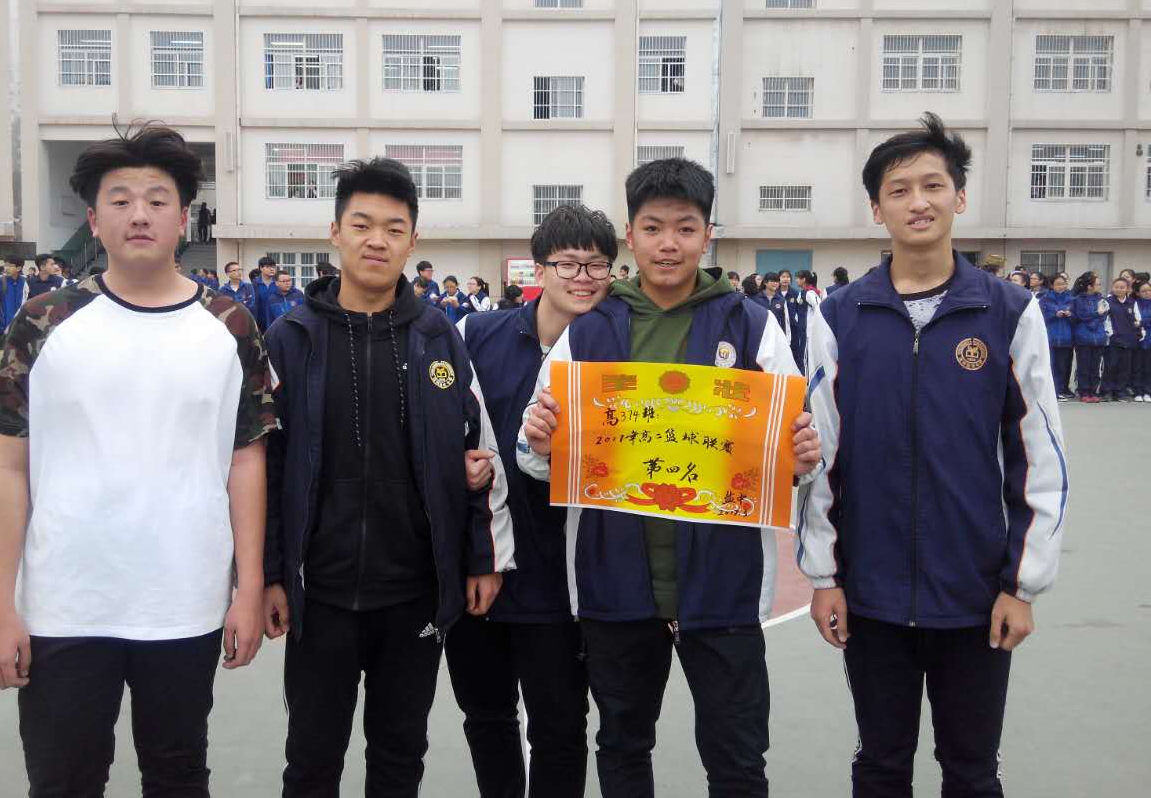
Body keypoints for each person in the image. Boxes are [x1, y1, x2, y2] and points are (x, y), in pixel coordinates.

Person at [0, 123, 276, 797]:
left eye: (157, 199)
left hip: (185, 601)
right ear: (93, 219)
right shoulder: (43, 321)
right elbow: (7, 467)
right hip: (64, 604)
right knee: (63, 779)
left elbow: (246, 461)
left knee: (177, 774)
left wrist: (249, 586)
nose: (139, 214)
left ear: (183, 217)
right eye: (120, 200)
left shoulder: (230, 325)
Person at [518, 157, 821, 797]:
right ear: (630, 235)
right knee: (623, 746)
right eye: (653, 228)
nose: (668, 244)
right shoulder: (589, 334)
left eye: (685, 228)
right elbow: (533, 456)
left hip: (725, 584)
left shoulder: (752, 326)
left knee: (738, 758)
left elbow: (791, 449)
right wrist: (542, 442)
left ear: (707, 235)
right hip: (616, 583)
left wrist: (800, 457)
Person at [797, 113, 1067, 798]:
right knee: (880, 764)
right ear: (876, 209)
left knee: (971, 769)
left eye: (932, 185)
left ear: (959, 196)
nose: (917, 202)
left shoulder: (1009, 313)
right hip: (871, 595)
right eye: (898, 190)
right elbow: (822, 456)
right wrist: (825, 576)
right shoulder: (839, 316)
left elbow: (1039, 457)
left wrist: (1021, 585)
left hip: (977, 596)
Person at [261, 157, 513, 797]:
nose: (377, 240)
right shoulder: (289, 338)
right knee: (310, 762)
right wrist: (269, 574)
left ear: (412, 240)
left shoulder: (439, 337)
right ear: (335, 232)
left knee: (400, 760)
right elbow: (268, 465)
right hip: (320, 594)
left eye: (394, 229)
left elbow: (476, 454)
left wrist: (479, 559)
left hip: (413, 595)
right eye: (362, 224)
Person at [447, 204, 619, 798]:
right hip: (482, 570)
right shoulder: (475, 335)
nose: (583, 277)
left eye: (597, 265)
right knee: (486, 718)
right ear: (538, 269)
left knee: (561, 728)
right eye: (568, 263)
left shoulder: (620, 355)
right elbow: (444, 430)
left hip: (564, 582)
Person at [1100, 276, 1141, 401]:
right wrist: (1110, 334)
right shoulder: (1107, 301)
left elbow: (1138, 320)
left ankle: (1120, 391)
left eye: (1122, 287)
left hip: (1128, 340)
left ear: (1127, 289)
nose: (1119, 289)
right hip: (1113, 340)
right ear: (1112, 288)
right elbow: (1103, 319)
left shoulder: (1132, 303)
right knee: (1110, 366)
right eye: (1116, 287)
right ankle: (1107, 391)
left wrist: (1137, 331)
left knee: (1124, 368)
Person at [1071, 272, 1108, 403]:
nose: (1100, 286)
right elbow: (1081, 315)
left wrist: (1095, 318)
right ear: (1089, 286)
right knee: (1084, 366)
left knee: (1095, 367)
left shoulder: (1101, 299)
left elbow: (1104, 315)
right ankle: (1084, 391)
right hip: (1083, 337)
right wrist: (1096, 313)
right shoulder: (1078, 299)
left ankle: (1093, 391)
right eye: (1097, 284)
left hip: (1099, 337)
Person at [1039, 273, 1076, 400]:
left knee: (1062, 367)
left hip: (1066, 338)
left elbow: (1078, 318)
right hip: (1050, 338)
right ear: (1052, 285)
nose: (1061, 286)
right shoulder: (1045, 299)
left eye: (1063, 284)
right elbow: (1040, 318)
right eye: (1058, 284)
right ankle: (1049, 392)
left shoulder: (1071, 299)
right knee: (1050, 366)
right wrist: (1054, 315)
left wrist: (1070, 315)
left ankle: (1060, 390)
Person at [0, 256, 29, 349]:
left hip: (22, 329)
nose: (6, 268)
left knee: (21, 355)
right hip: (3, 329)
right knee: (5, 355)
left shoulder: (25, 282)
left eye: (10, 265)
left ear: (19, 268)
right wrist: (3, 321)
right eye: (5, 265)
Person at [1134, 280, 1151, 402]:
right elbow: (1133, 321)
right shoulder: (1135, 304)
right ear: (1138, 293)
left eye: (1149, 290)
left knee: (1148, 367)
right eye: (1144, 291)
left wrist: (1142, 322)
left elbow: (1141, 321)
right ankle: (1138, 391)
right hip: (1138, 339)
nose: (1147, 293)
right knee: (1138, 367)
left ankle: (1147, 391)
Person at [254, 256, 279, 328]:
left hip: (277, 322)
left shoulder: (279, 283)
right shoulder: (254, 285)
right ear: (261, 268)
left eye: (273, 267)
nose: (272, 269)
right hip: (260, 323)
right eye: (267, 267)